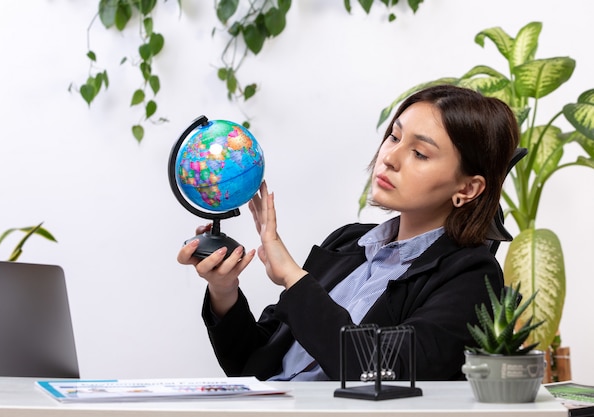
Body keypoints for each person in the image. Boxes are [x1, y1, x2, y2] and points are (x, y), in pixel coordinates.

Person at [177, 84, 520, 381]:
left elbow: (383, 372)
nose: (390, 157)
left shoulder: (471, 276)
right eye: (394, 137)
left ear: (469, 188)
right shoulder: (347, 243)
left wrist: (293, 278)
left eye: (419, 152)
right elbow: (252, 365)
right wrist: (224, 291)